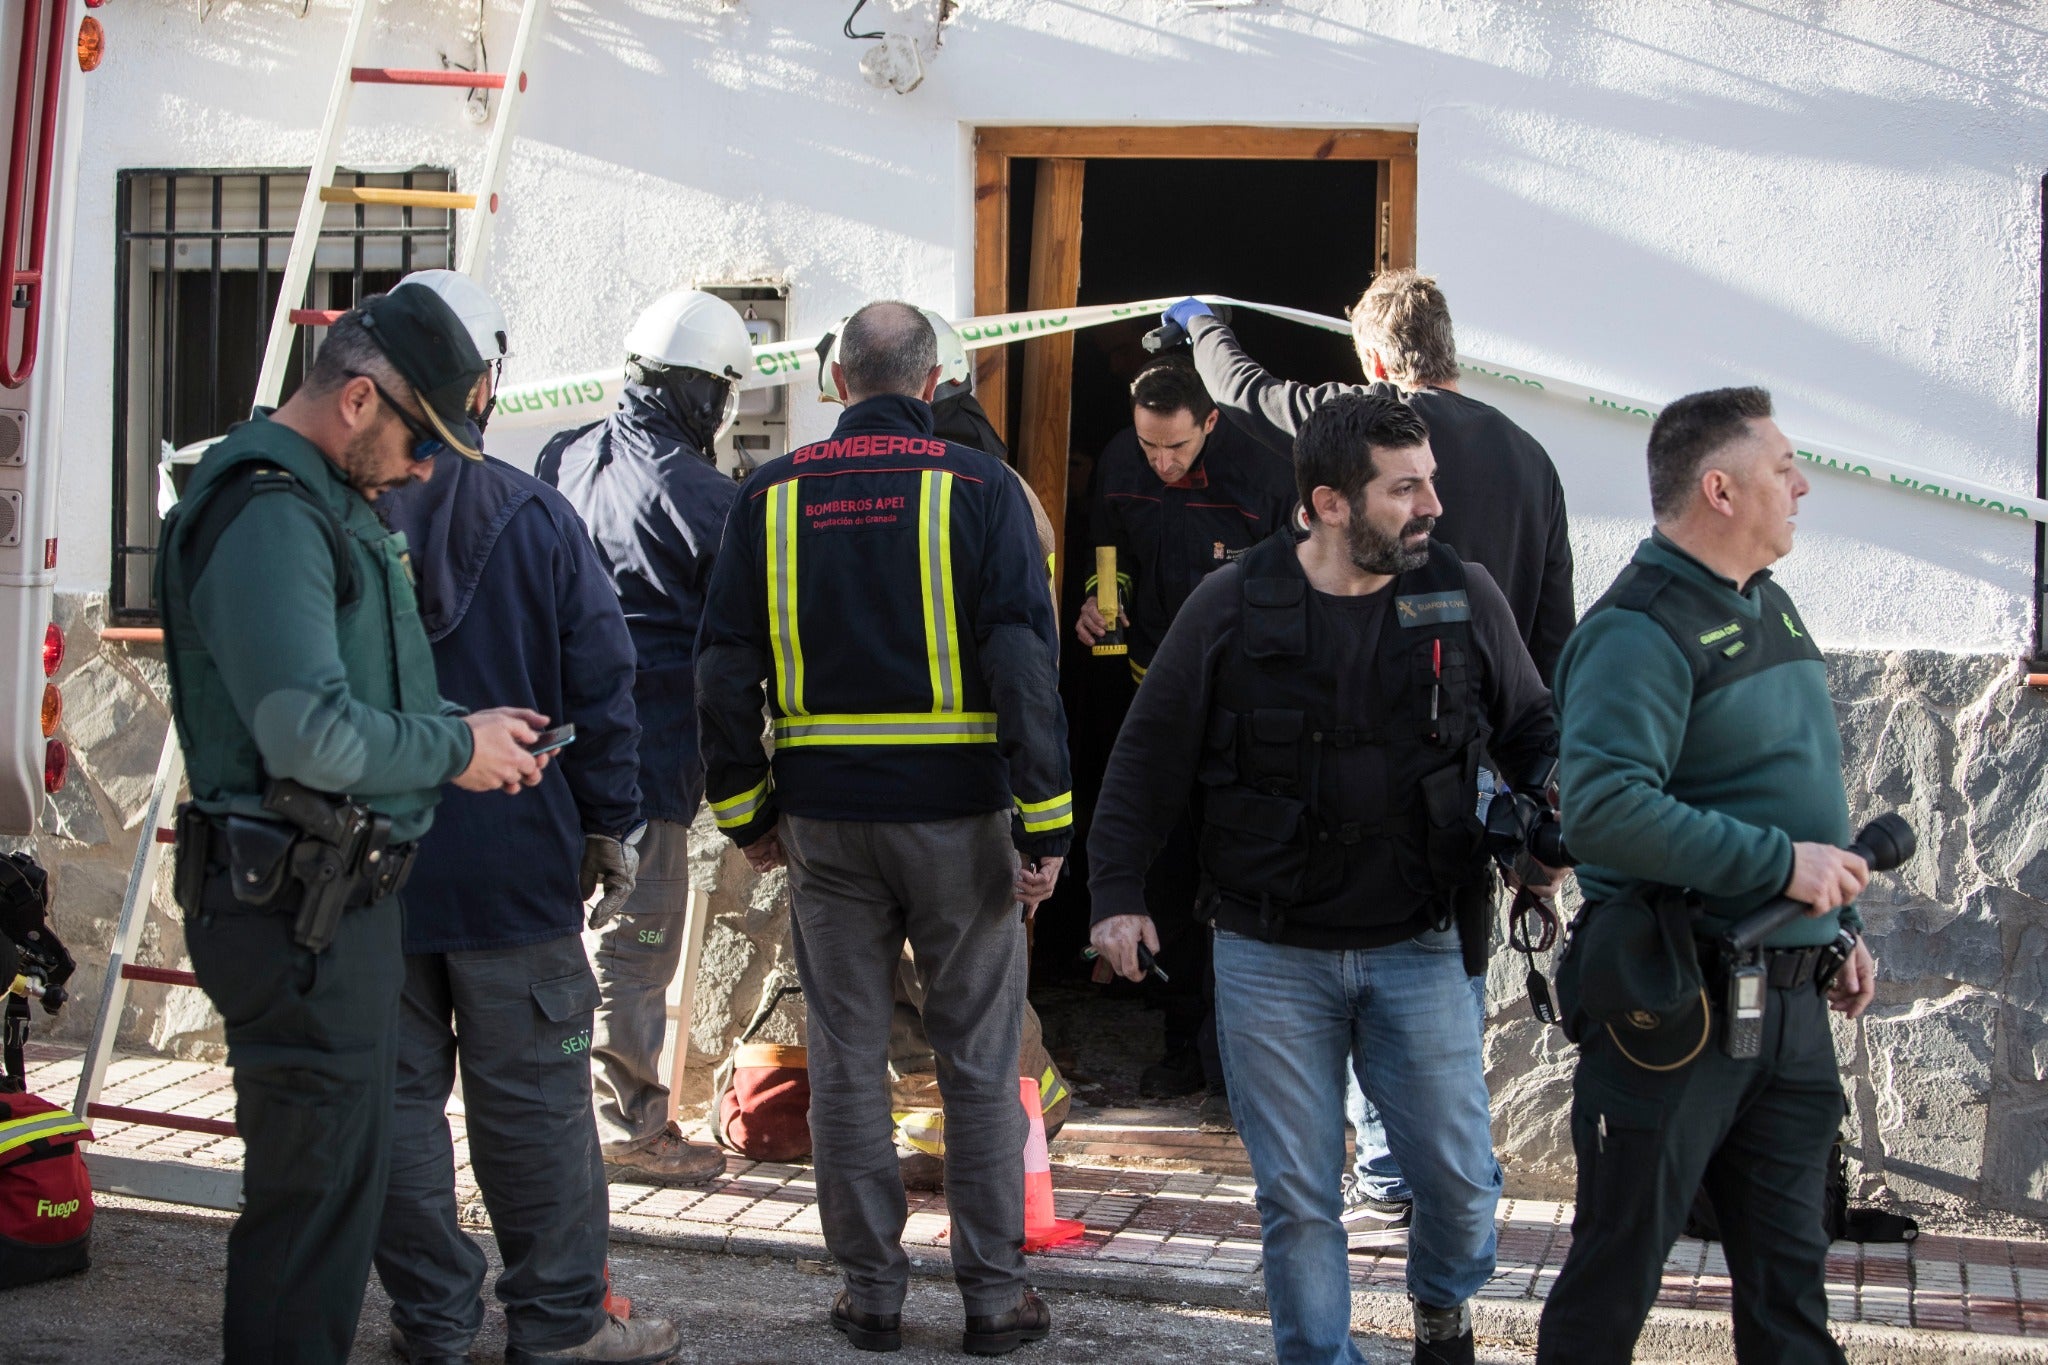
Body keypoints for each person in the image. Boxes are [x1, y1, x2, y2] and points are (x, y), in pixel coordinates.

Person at [1088, 392, 1558, 1365]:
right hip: (1268, 952)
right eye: (1404, 488)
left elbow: (1533, 738)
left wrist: (1550, 825)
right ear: (1329, 505)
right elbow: (1146, 757)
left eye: (1430, 481)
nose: (1430, 504)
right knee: (1297, 1196)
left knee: (1460, 1181)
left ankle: (1440, 1305)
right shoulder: (1232, 603)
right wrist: (1116, 895)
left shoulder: (1463, 596)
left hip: (1421, 944)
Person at [157, 288, 550, 1363]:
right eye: (420, 437)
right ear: (359, 397)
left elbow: (350, 698)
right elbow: (306, 736)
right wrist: (451, 751)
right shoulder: (271, 509)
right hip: (291, 910)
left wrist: (455, 730)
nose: (426, 467)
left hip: (330, 904)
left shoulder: (321, 502)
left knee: (334, 1197)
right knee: (310, 1218)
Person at [697, 301, 1073, 1357]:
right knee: (977, 1057)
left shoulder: (765, 499)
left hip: (825, 827)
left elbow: (722, 669)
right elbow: (1021, 667)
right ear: (935, 379)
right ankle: (994, 1300)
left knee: (847, 1058)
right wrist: (1043, 829)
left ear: (833, 381)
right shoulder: (983, 490)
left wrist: (746, 812)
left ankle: (870, 1297)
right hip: (958, 822)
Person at [1170, 271, 1576, 1244]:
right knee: (1451, 959)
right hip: (1485, 748)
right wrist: (1538, 782)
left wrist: (1199, 322)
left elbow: (1241, 387)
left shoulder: (1360, 427)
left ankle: (1398, 1173)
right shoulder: (1529, 458)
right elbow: (1554, 631)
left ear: (1380, 364)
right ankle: (1441, 1165)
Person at [1535, 387, 1877, 1365]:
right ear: (1718, 489)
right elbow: (1601, 812)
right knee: (1615, 1276)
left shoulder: (1769, 605)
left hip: (1789, 1002)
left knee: (1789, 1290)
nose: (1801, 484)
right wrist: (1781, 866)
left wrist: (1832, 929)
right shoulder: (1635, 630)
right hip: (1673, 1005)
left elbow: (1785, 796)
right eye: (1782, 467)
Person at [373, 272, 678, 1365]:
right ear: (485, 382)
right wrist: (613, 824)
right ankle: (556, 1329)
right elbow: (605, 684)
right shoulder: (533, 514)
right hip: (513, 869)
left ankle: (434, 1326)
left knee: (396, 1113)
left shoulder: (328, 509)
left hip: (371, 871)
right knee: (536, 1111)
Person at [817, 308, 1073, 1190]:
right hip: (957, 793)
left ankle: (1019, 1133)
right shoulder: (987, 487)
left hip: (887, 799)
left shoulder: (981, 489)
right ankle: (975, 1166)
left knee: (953, 1002)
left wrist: (1036, 816)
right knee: (950, 999)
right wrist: (1041, 815)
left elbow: (1017, 662)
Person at [537, 288, 751, 1186]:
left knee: (575, 933)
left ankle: (559, 1111)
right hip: (646, 750)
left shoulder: (564, 454)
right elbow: (744, 634)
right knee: (634, 939)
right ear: (705, 394)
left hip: (549, 743)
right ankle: (626, 1126)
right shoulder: (703, 496)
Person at [1074, 358, 1296, 1123]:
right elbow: (1110, 563)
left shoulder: (1268, 468)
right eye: (1147, 447)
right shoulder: (1118, 462)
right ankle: (1181, 1048)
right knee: (1167, 881)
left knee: (1234, 881)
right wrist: (1101, 608)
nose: (1160, 463)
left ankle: (1245, 1063)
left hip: (1246, 719)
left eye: (1174, 447)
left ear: (1210, 421)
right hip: (1155, 702)